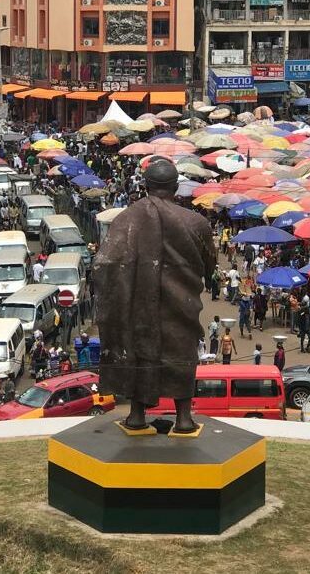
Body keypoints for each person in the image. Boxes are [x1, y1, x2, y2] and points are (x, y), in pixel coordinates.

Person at [92, 157, 216, 434]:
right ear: (175, 187)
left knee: (140, 352)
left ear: (145, 186)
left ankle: (137, 414)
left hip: (138, 304)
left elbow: (105, 263)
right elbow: (209, 265)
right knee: (182, 354)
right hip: (181, 304)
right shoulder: (196, 223)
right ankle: (183, 417)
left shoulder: (126, 219)